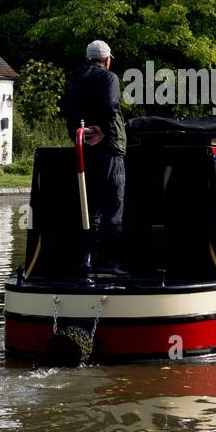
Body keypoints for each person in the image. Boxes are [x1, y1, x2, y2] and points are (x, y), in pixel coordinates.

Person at [62, 40, 126, 275]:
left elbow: (68, 112)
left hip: (84, 150)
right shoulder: (109, 78)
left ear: (87, 58)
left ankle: (87, 259)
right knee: (113, 206)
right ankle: (110, 263)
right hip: (110, 149)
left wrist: (79, 135)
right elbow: (110, 105)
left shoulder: (74, 78)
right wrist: (104, 131)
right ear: (107, 60)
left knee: (91, 207)